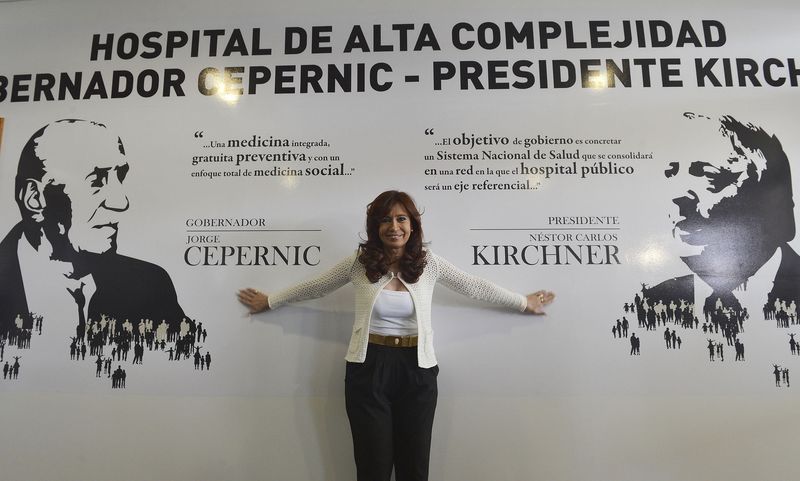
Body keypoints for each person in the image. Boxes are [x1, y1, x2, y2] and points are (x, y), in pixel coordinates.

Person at [238, 190, 555, 481]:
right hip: (368, 369)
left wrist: (522, 302)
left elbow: (473, 285)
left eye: (401, 218)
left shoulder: (429, 264)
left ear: (413, 225)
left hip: (418, 370)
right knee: (372, 467)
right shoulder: (359, 264)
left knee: (414, 467)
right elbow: (317, 286)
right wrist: (271, 300)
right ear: (375, 226)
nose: (394, 226)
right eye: (385, 219)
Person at [0, 119, 189, 342]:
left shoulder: (150, 283)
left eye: (120, 176)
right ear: (35, 197)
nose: (122, 202)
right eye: (97, 180)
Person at [644, 112, 799, 319]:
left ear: (768, 197)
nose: (678, 195)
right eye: (670, 173)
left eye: (708, 175)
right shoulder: (651, 302)